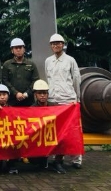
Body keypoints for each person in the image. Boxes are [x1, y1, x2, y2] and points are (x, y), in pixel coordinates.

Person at [45, 33, 82, 172]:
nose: (56, 45)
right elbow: (48, 78)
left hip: (68, 99)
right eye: (53, 44)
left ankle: (76, 159)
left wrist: (76, 98)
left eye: (58, 43)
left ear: (63, 44)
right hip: (53, 99)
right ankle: (57, 157)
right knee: (56, 130)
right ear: (50, 46)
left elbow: (76, 79)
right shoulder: (48, 61)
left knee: (72, 130)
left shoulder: (70, 60)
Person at [2, 38, 39, 106]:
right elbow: (5, 81)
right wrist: (15, 93)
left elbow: (36, 80)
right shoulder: (7, 64)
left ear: (24, 49)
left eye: (20, 47)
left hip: (29, 100)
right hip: (12, 100)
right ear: (12, 50)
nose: (18, 50)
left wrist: (26, 93)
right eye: (16, 48)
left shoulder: (31, 64)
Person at [30, 80, 58, 171]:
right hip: (38, 137)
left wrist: (73, 106)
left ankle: (58, 162)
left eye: (44, 93)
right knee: (34, 161)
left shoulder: (55, 107)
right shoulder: (31, 109)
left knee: (63, 139)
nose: (42, 95)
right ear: (35, 95)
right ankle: (43, 158)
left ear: (48, 94)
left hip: (51, 135)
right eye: (40, 93)